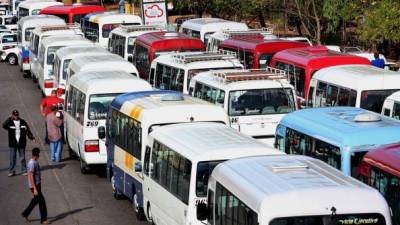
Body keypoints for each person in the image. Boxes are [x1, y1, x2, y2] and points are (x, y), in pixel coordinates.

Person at [21, 148, 51, 224]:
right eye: (39, 155)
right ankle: (43, 219)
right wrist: (34, 188)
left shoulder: (34, 161)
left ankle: (25, 213)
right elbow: (31, 176)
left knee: (36, 200)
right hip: (35, 185)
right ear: (37, 155)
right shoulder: (32, 163)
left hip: (37, 184)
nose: (39, 156)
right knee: (41, 202)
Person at [2, 110, 35, 177]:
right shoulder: (9, 122)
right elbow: (3, 126)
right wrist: (8, 119)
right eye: (14, 115)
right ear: (12, 115)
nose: (16, 116)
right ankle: (12, 171)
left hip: (21, 143)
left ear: (18, 115)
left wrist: (32, 138)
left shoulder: (23, 122)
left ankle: (24, 170)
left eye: (17, 115)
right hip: (13, 143)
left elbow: (27, 131)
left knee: (22, 157)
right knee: (12, 157)